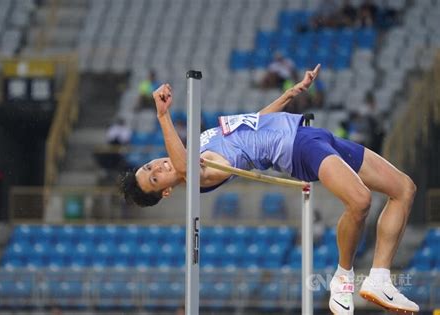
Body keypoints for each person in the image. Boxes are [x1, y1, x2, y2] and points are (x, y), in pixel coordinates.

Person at [120, 64, 419, 314]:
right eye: (155, 180)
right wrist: (162, 116)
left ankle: (380, 278)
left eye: (149, 167)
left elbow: (251, 124)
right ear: (166, 192)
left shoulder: (199, 143)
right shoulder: (200, 173)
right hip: (296, 148)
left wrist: (289, 94)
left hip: (310, 133)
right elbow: (184, 167)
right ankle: (343, 280)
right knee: (360, 200)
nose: (158, 169)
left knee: (404, 188)